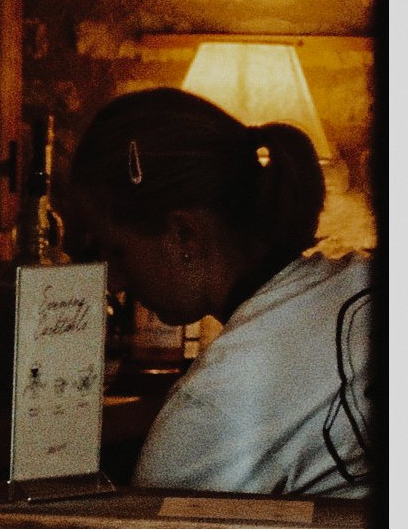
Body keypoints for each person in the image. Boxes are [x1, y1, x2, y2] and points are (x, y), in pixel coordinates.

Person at [66, 87, 371, 500]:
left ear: (183, 233)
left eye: (113, 251)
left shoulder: (212, 412)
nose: (115, 282)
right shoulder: (362, 278)